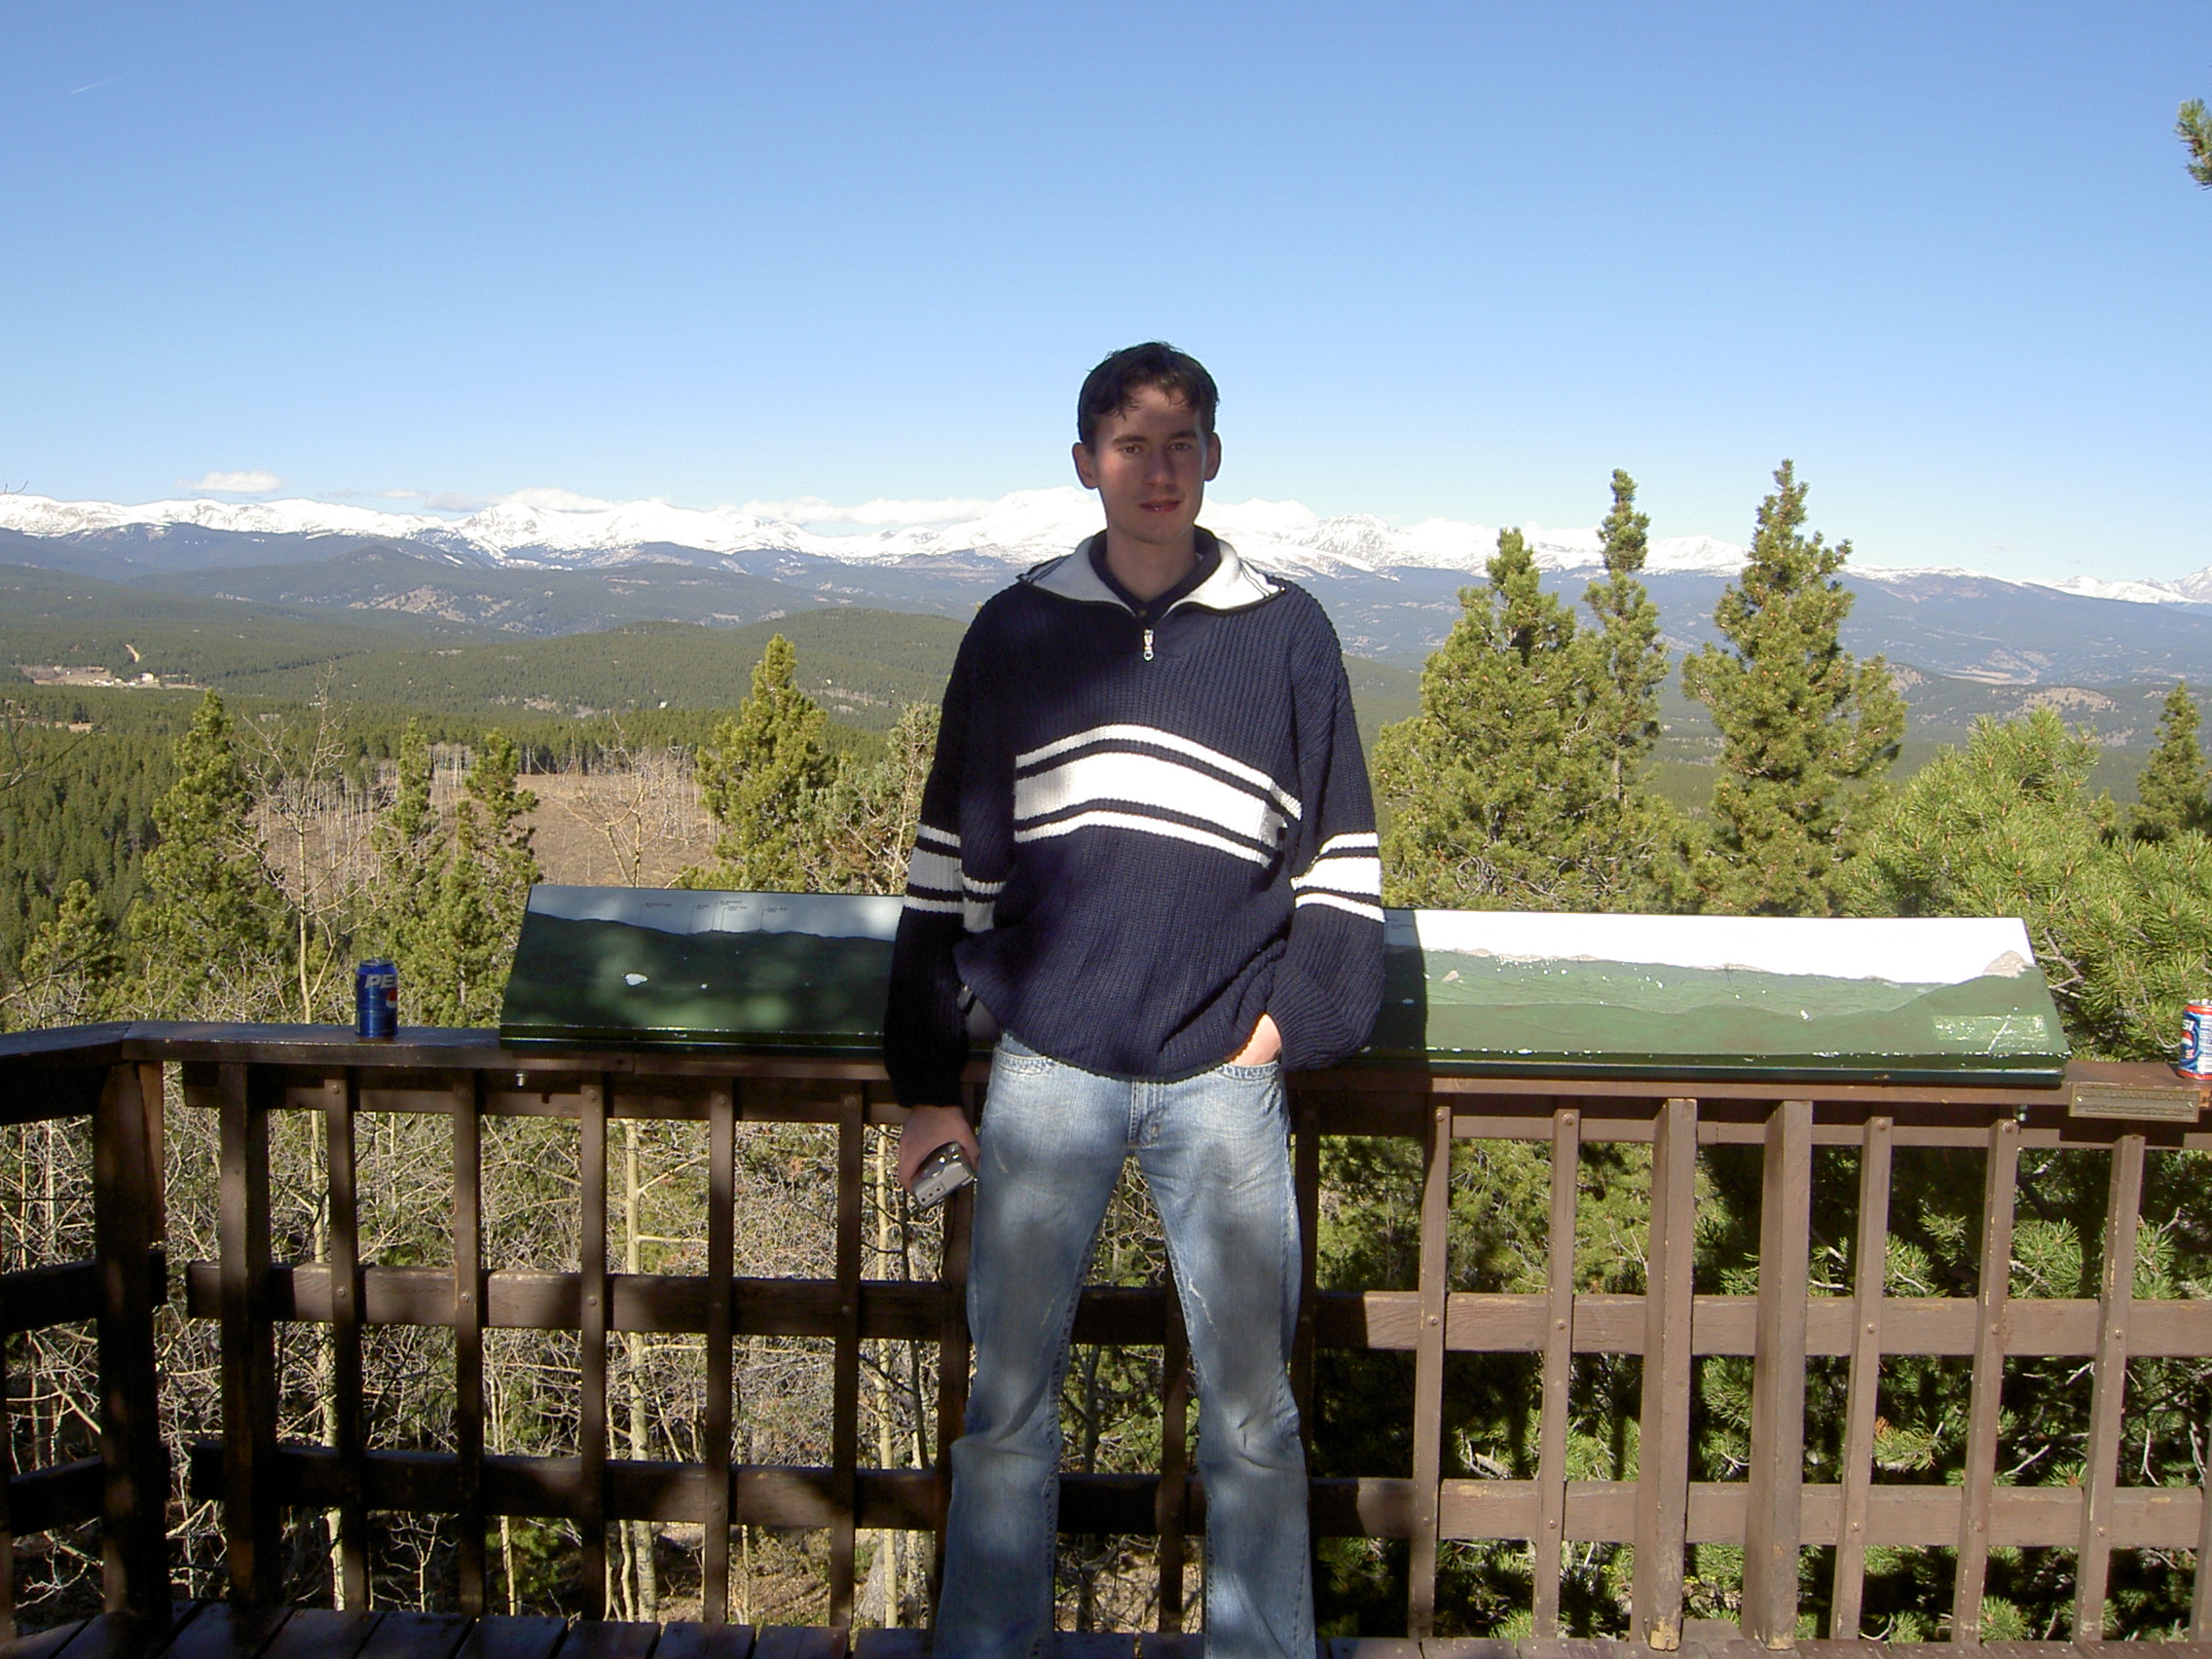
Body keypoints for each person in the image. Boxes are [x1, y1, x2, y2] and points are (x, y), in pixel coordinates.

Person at [883, 342, 1384, 1659]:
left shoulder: (1287, 632)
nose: (1156, 470)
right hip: (1048, 1068)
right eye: (1129, 445)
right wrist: (926, 1082)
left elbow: (1340, 854)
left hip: (1225, 1075)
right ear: (1084, 464)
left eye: (1179, 444)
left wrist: (1288, 1026)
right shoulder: (1015, 630)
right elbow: (944, 859)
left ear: (1213, 456)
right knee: (1006, 1408)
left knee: (1253, 1419)